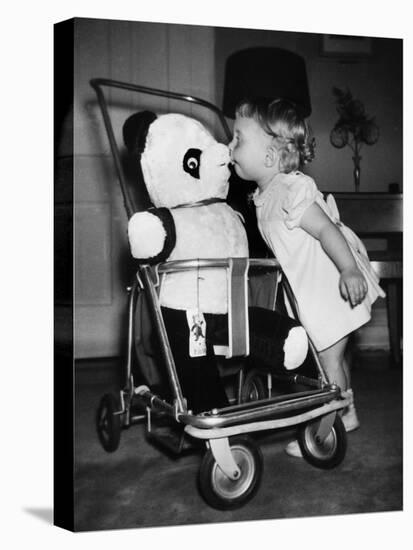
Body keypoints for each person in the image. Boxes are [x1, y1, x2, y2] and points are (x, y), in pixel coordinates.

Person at [228, 98, 385, 457]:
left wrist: (348, 269)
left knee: (328, 364)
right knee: (330, 361)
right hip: (309, 294)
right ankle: (347, 409)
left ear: (270, 156)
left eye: (238, 139)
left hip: (329, 291)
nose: (229, 146)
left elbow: (327, 229)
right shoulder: (264, 194)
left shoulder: (290, 190)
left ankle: (334, 424)